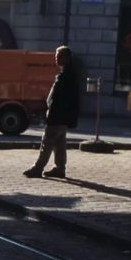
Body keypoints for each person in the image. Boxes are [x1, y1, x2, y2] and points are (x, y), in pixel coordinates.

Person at [24, 45, 80, 178]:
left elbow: (59, 99)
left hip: (57, 116)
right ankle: (60, 168)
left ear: (66, 58)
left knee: (47, 142)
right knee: (59, 143)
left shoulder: (66, 76)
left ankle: (37, 168)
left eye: (59, 56)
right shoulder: (69, 74)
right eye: (56, 56)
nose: (56, 58)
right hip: (63, 117)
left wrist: (51, 115)